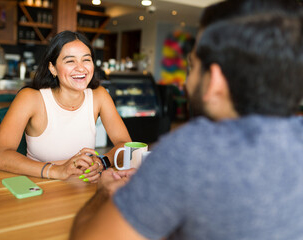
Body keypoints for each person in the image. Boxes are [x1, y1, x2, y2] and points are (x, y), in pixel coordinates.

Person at [70, 2, 303, 240]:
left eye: (192, 67)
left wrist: (103, 192)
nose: (186, 83)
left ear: (215, 81)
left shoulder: (190, 151)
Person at [0, 31, 131, 182]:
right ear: (53, 68)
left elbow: (127, 145)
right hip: (40, 185)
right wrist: (57, 171)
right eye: (70, 61)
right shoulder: (31, 98)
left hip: (82, 184)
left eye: (86, 60)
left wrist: (102, 161)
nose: (81, 68)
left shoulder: (99, 95)